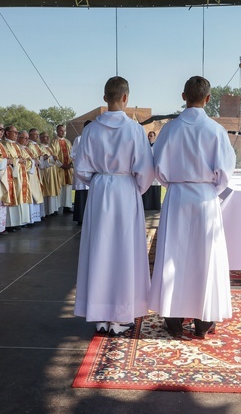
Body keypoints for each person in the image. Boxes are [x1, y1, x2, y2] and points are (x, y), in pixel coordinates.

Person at [148, 76, 236, 339]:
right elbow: (225, 172)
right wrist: (209, 189)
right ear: (208, 99)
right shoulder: (216, 130)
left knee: (173, 256)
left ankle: (173, 318)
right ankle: (203, 319)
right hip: (205, 198)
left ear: (183, 96)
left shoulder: (170, 129)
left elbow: (158, 168)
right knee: (205, 257)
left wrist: (176, 184)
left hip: (176, 196)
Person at [74, 76, 154, 336]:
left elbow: (82, 168)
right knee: (124, 251)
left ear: (104, 97)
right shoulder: (134, 130)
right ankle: (121, 315)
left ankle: (99, 315)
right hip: (125, 189)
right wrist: (134, 188)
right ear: (126, 98)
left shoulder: (91, 130)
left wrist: (99, 181)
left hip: (100, 190)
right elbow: (145, 170)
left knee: (100, 249)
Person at [3, 125, 30, 230]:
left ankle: (18, 221)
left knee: (19, 195)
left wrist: (24, 161)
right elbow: (8, 159)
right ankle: (9, 224)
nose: (16, 134)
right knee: (12, 196)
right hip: (12, 174)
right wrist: (18, 161)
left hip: (20, 174)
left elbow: (25, 158)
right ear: (7, 133)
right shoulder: (4, 144)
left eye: (17, 132)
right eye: (14, 132)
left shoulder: (17, 146)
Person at [18, 131, 43, 224]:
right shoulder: (18, 148)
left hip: (33, 175)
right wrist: (33, 162)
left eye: (28, 138)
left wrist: (36, 161)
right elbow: (23, 162)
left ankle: (34, 218)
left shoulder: (28, 149)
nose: (27, 140)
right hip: (26, 175)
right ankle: (27, 219)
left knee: (34, 196)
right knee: (29, 196)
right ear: (18, 138)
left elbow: (35, 159)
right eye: (25, 138)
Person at [71, 120, 91, 225]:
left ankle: (90, 218)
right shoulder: (78, 139)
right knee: (81, 194)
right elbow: (73, 155)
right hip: (82, 170)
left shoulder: (95, 139)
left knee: (90, 194)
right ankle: (80, 218)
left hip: (92, 170)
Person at [52, 124, 74, 213]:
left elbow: (72, 154)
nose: (63, 132)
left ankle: (67, 206)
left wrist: (70, 164)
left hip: (68, 168)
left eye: (64, 131)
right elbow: (53, 155)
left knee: (68, 187)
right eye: (61, 130)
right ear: (57, 131)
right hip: (59, 168)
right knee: (59, 187)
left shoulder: (68, 142)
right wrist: (61, 165)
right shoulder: (54, 141)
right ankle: (57, 207)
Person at [38, 131, 61, 216]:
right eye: (45, 137)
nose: (47, 138)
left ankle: (53, 209)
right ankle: (47, 210)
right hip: (46, 171)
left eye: (48, 137)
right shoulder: (40, 147)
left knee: (53, 188)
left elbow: (54, 159)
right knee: (47, 190)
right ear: (40, 138)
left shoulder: (50, 148)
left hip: (53, 171)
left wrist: (55, 159)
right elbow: (40, 158)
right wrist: (47, 158)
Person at [141, 130, 162, 210]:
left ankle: (155, 206)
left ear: (154, 137)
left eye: (151, 136)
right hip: (147, 170)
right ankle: (146, 206)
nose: (149, 137)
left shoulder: (157, 146)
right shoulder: (145, 147)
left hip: (155, 170)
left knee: (155, 187)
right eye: (148, 136)